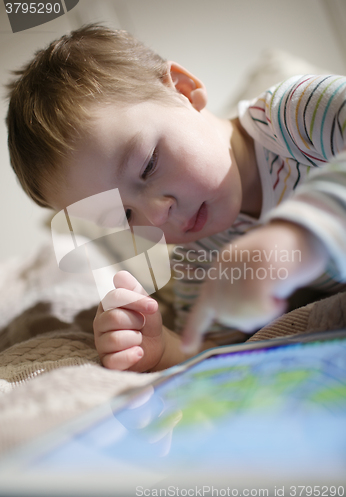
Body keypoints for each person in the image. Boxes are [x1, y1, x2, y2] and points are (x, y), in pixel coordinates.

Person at [5, 24, 346, 372]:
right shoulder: (199, 258)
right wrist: (162, 348)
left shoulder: (295, 116)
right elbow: (216, 346)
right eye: (124, 216)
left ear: (184, 89)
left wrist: (297, 234)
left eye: (149, 165)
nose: (155, 216)